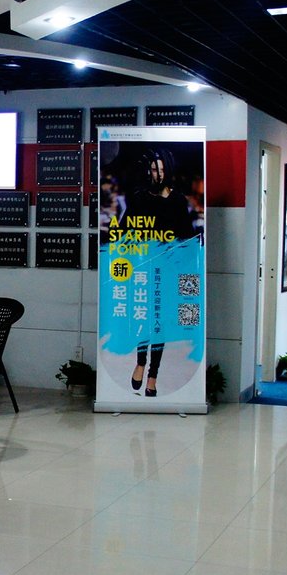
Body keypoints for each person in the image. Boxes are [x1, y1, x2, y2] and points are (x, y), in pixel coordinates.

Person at [119, 148, 198, 397]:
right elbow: (124, 230)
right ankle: (141, 363)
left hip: (167, 271)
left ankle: (152, 375)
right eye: (154, 169)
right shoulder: (139, 197)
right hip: (142, 268)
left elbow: (187, 238)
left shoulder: (177, 200)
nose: (158, 174)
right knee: (143, 319)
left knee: (159, 323)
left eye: (162, 169)